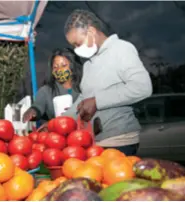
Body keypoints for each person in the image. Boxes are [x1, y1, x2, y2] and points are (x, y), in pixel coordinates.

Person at [63, 9, 153, 155]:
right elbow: (84, 98)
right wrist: (59, 121)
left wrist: (97, 101)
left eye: (78, 43)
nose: (76, 49)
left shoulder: (121, 49)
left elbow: (142, 87)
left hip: (119, 139)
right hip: (94, 141)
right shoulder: (88, 64)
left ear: (91, 31)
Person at [23, 48, 83, 124]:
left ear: (73, 66)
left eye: (63, 65)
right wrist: (33, 111)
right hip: (57, 132)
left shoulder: (84, 86)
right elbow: (38, 105)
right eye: (55, 67)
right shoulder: (46, 91)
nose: (59, 70)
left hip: (82, 132)